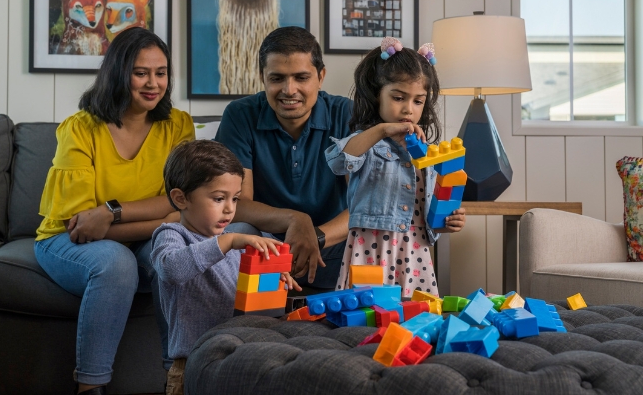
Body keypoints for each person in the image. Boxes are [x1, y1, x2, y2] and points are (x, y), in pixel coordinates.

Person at [34, 27, 195, 395]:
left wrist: (111, 211)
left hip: (130, 234)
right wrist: (165, 219)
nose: (153, 83)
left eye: (161, 72)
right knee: (116, 264)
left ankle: (178, 379)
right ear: (118, 72)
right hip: (63, 239)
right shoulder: (80, 128)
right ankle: (90, 387)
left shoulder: (178, 126)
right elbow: (80, 227)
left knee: (173, 255)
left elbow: (180, 200)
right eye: (141, 72)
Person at [151, 140, 301, 395]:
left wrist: (274, 271)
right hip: (193, 363)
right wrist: (228, 241)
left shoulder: (235, 243)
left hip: (239, 356)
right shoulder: (172, 235)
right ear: (181, 198)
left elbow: (252, 297)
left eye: (235, 199)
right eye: (219, 198)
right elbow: (172, 269)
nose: (230, 209)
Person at [325, 37, 466, 297]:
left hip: (415, 250)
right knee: (366, 315)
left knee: (416, 318)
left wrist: (445, 223)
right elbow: (337, 161)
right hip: (371, 246)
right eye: (398, 97)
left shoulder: (428, 154)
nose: (408, 109)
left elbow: (424, 209)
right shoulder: (368, 142)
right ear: (376, 94)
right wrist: (381, 130)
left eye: (418, 101)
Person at [216, 26, 352, 289]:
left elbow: (364, 202)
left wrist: (314, 236)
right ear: (262, 77)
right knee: (238, 232)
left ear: (320, 77)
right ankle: (247, 320)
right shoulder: (240, 114)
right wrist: (295, 219)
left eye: (301, 78)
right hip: (265, 247)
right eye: (277, 78)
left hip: (331, 242)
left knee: (375, 233)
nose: (290, 90)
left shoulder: (345, 113)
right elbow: (236, 203)